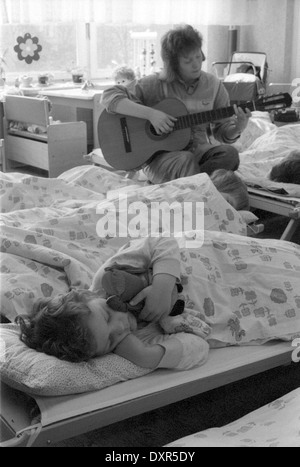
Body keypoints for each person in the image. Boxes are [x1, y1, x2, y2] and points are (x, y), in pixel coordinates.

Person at [16, 233, 300, 369]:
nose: (121, 325)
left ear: (87, 296)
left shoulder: (111, 276)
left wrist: (163, 282)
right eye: (111, 339)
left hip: (213, 259)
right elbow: (199, 347)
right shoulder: (136, 341)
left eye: (105, 316)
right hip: (239, 302)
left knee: (278, 257)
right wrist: (151, 357)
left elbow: (160, 243)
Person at [101, 24, 251, 184]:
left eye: (198, 57)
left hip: (199, 152)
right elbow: (110, 96)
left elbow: (221, 132)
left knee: (230, 155)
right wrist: (151, 114)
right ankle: (199, 191)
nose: (196, 64)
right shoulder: (153, 84)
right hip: (160, 159)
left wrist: (238, 127)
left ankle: (191, 185)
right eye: (188, 61)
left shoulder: (213, 85)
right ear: (173, 63)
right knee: (184, 159)